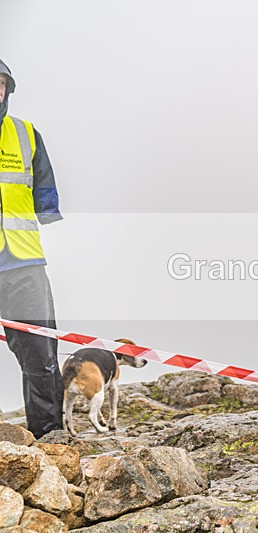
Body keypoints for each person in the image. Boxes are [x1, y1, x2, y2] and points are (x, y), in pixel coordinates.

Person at [0, 58, 64, 439]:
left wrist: (49, 210)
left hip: (23, 262)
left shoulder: (25, 134)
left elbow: (43, 187)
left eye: (1, 82)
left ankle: (50, 437)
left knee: (40, 354)